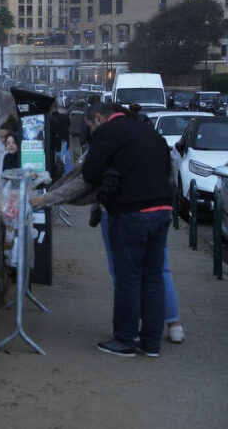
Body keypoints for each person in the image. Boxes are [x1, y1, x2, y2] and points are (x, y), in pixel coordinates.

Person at [30, 152, 184, 344]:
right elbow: (170, 170)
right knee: (159, 270)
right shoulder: (152, 138)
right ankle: (173, 325)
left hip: (120, 210)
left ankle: (130, 327)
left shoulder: (109, 139)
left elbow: (82, 177)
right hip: (157, 207)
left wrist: (49, 195)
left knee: (123, 273)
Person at [82, 102, 173, 358]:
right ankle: (151, 342)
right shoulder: (148, 130)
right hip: (162, 210)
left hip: (130, 213)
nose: (91, 132)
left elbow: (89, 173)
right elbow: (167, 169)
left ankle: (124, 339)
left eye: (90, 127)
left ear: (99, 119)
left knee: (128, 278)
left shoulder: (108, 132)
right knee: (153, 278)